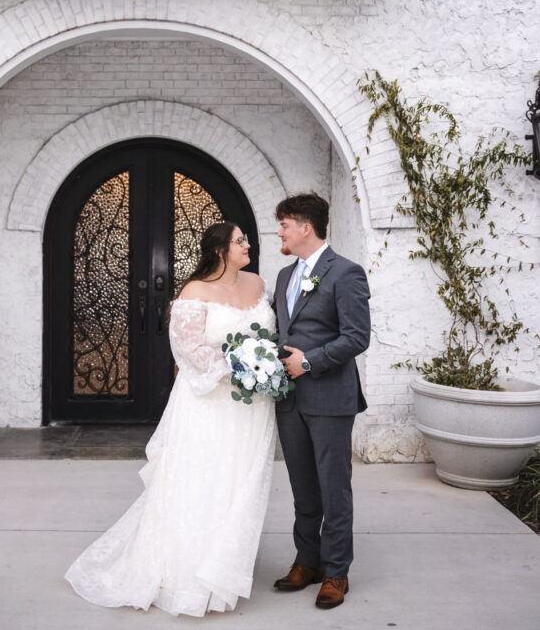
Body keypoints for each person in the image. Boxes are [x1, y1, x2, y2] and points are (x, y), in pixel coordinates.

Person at [65, 221, 276, 617]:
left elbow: (268, 339)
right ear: (219, 250)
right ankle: (190, 571)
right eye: (239, 241)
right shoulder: (194, 292)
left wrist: (263, 369)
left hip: (254, 407)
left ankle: (226, 563)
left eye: (246, 239)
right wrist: (241, 371)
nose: (247, 245)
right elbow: (188, 348)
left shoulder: (259, 284)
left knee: (241, 481)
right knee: (203, 481)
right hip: (210, 402)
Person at [272, 193, 371, 611]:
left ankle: (336, 572)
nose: (280, 231)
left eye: (284, 225)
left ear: (305, 227)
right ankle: (306, 561)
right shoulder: (282, 276)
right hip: (290, 400)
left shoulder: (346, 273)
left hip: (330, 397)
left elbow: (356, 337)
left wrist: (309, 362)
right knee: (303, 488)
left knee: (334, 489)